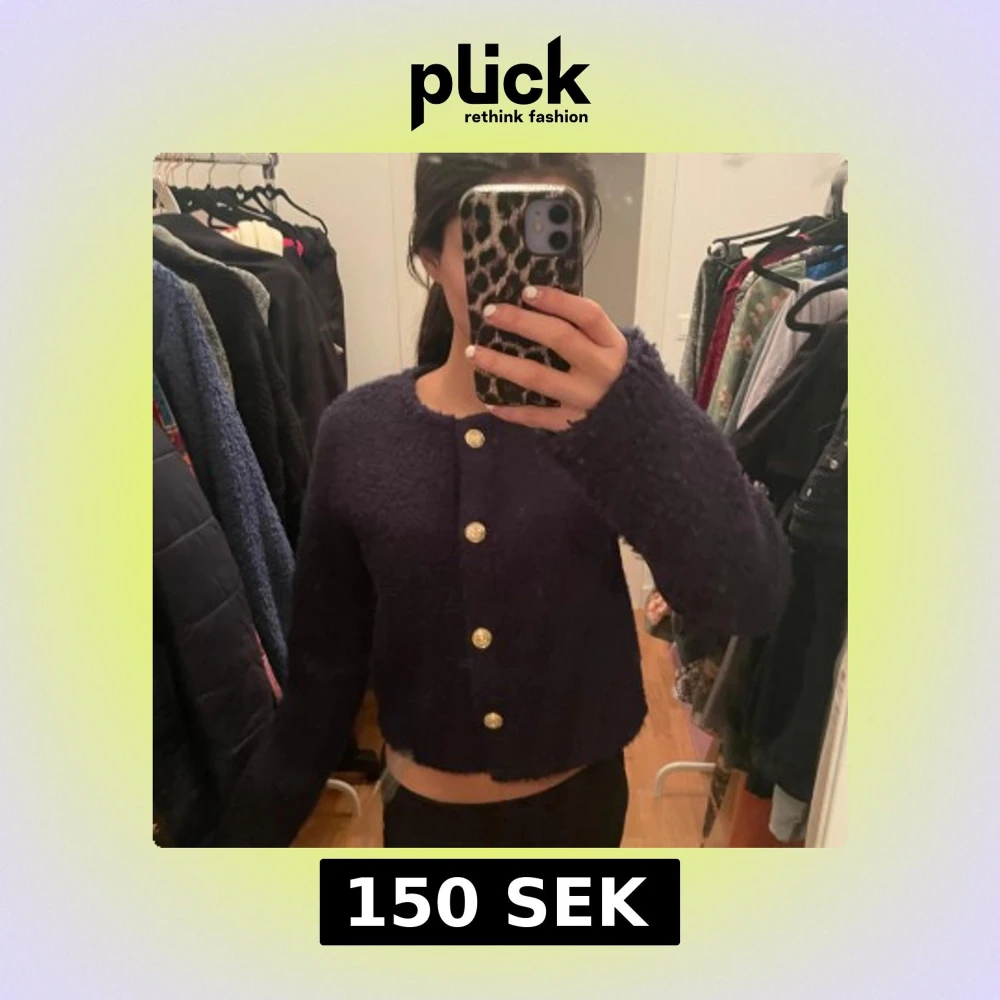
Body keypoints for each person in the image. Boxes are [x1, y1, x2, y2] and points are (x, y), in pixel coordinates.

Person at [210, 153, 791, 848]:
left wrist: (632, 409)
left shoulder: (610, 420)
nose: (528, 279)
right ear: (431, 258)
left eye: (549, 238)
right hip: (425, 826)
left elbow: (749, 593)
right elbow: (323, 678)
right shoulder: (357, 433)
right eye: (491, 239)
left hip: (580, 817)